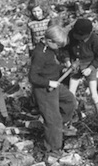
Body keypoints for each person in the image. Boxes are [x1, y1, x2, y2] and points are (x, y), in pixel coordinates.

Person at [29, 25, 77, 156]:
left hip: (55, 84)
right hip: (44, 89)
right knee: (52, 120)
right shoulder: (39, 54)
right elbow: (33, 77)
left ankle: (60, 127)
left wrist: (62, 69)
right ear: (50, 41)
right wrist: (49, 82)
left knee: (70, 101)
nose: (60, 48)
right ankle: (53, 149)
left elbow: (51, 65)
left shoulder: (50, 49)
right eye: (59, 45)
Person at [63, 18, 98, 134]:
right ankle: (71, 117)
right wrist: (67, 61)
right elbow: (66, 50)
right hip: (75, 65)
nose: (76, 37)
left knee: (93, 94)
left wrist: (91, 68)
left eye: (78, 36)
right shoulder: (71, 35)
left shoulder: (94, 39)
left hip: (89, 65)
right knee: (70, 94)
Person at [26, 0, 55, 115]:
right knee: (36, 77)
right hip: (37, 53)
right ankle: (36, 103)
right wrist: (32, 52)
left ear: (43, 9)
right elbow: (29, 39)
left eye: (38, 11)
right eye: (34, 11)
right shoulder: (30, 24)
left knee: (50, 75)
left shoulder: (49, 20)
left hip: (50, 51)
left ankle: (51, 99)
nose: (37, 14)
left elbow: (53, 34)